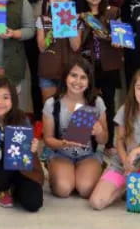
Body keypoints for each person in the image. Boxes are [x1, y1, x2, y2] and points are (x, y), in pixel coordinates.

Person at [90, 68, 140, 210]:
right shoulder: (125, 109)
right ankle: (128, 186)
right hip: (123, 163)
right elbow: (120, 140)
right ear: (133, 89)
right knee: (97, 202)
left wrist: (137, 151)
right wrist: (125, 162)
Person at [0, 77, 44, 211]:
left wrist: (33, 149)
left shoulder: (22, 119)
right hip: (0, 170)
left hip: (22, 170)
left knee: (33, 203)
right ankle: (3, 189)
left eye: (6, 97)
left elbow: (29, 153)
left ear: (13, 100)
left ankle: (15, 189)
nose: (0, 102)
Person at [42, 57, 108, 198]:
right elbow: (47, 139)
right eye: (73, 75)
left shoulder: (96, 102)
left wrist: (99, 131)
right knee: (63, 189)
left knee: (85, 190)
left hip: (88, 155)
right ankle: (55, 168)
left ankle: (93, 169)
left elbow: (104, 140)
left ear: (89, 81)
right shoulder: (52, 104)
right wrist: (63, 143)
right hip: (61, 154)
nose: (78, 82)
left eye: (83, 77)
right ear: (65, 77)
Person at [78, 0, 123, 153]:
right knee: (86, 101)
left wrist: (118, 40)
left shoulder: (113, 12)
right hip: (86, 66)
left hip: (109, 65)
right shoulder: (79, 16)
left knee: (109, 103)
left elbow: (123, 38)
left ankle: (109, 142)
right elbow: (74, 44)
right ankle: (84, 140)